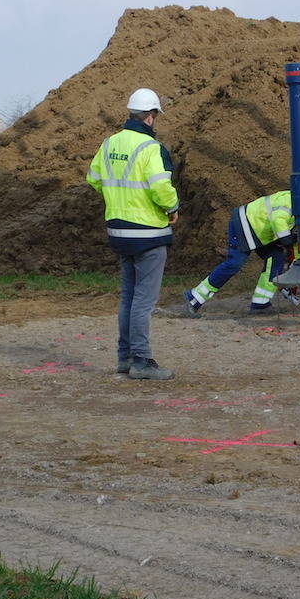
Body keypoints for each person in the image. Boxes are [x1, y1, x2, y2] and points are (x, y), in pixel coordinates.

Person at [86, 88, 179, 380]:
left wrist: (117, 201)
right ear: (151, 117)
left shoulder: (109, 143)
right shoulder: (151, 148)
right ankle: (141, 360)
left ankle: (124, 358)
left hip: (118, 232)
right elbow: (160, 188)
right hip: (148, 234)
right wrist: (173, 207)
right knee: (143, 301)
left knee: (128, 297)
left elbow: (94, 179)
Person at [181, 190, 300, 317]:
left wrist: (296, 264)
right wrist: (286, 239)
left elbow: (296, 243)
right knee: (234, 264)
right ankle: (194, 297)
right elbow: (278, 219)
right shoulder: (292, 202)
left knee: (276, 259)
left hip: (261, 232)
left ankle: (261, 304)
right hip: (244, 223)